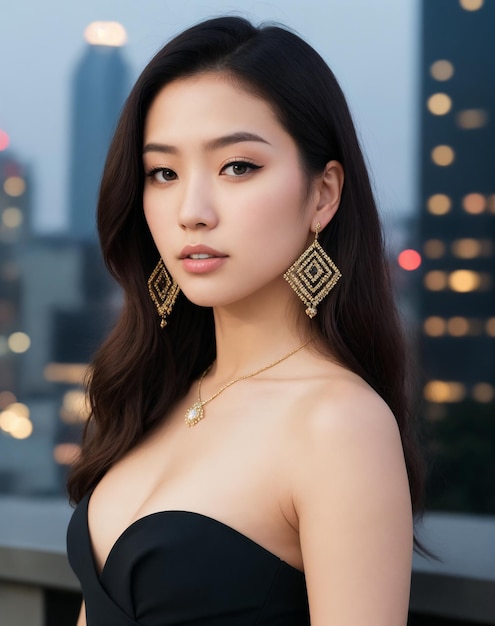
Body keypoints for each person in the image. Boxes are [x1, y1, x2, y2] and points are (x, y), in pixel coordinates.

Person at [66, 15, 424, 626]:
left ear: (322, 195)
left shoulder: (339, 424)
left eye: (238, 167)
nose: (192, 212)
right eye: (163, 172)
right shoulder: (150, 393)